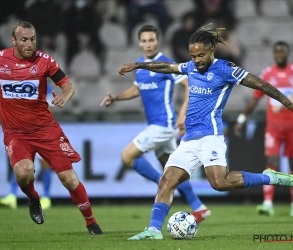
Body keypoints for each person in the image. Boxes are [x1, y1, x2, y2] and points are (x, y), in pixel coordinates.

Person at [118, 23, 293, 240]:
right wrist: (139, 65)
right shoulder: (191, 67)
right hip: (189, 139)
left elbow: (261, 84)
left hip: (211, 136)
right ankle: (153, 230)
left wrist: (286, 101)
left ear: (212, 51)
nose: (197, 60)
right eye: (193, 56)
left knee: (219, 183)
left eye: (201, 55)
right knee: (166, 181)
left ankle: (268, 177)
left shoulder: (225, 69)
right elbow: (167, 67)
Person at [0, 21, 102, 235]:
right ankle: (33, 197)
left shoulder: (44, 61)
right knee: (23, 173)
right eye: (24, 40)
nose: (29, 44)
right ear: (13, 41)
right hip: (16, 133)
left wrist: (64, 96)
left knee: (68, 178)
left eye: (32, 39)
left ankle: (91, 222)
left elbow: (68, 85)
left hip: (45, 129)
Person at [100, 24, 210, 223]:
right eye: (144, 40)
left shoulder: (166, 64)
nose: (148, 44)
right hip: (158, 126)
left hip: (164, 125)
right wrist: (115, 97)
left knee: (127, 156)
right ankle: (199, 207)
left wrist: (183, 113)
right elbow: (136, 90)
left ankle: (162, 185)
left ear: (158, 41)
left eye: (151, 40)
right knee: (173, 170)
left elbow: (189, 84)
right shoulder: (140, 65)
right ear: (139, 42)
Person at [234, 41, 293, 216]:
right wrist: (242, 118)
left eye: (282, 52)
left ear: (287, 53)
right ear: (274, 54)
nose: (280, 54)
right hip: (274, 128)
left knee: (292, 164)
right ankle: (267, 203)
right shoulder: (268, 73)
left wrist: (283, 105)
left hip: (292, 127)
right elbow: (255, 98)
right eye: (277, 52)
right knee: (272, 162)